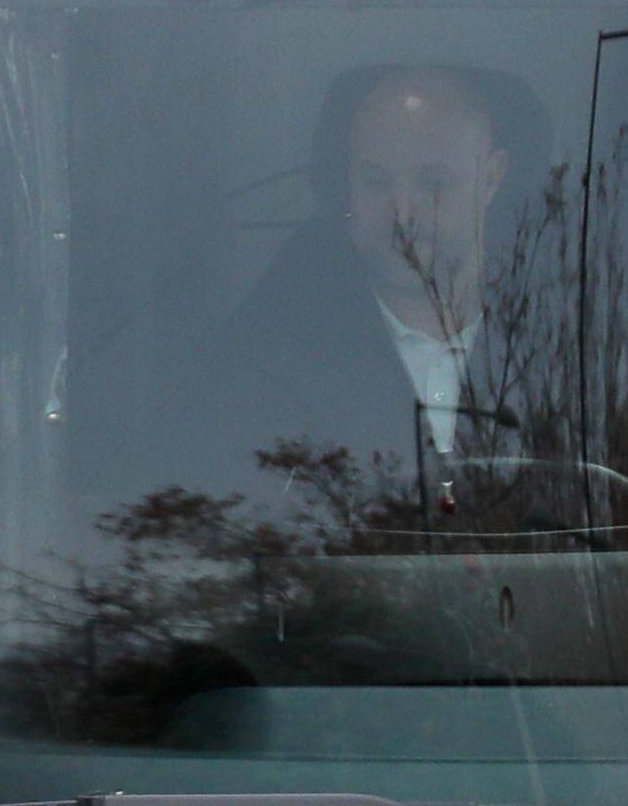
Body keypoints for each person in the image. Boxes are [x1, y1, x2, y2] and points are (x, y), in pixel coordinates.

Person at [190, 65, 545, 497]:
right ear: (347, 184)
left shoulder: (578, 336)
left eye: (432, 182)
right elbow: (237, 520)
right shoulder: (266, 354)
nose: (402, 214)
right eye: (376, 182)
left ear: (491, 178)